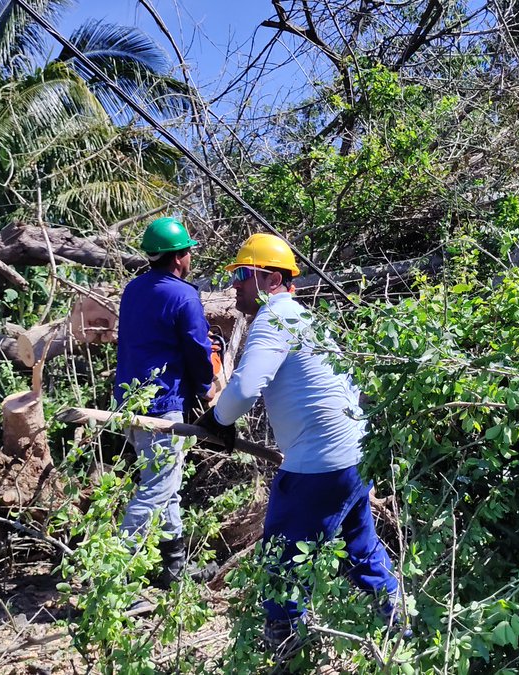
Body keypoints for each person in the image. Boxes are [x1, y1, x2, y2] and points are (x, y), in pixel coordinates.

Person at [196, 233, 406, 656]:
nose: (234, 284)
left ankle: (287, 651)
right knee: (361, 550)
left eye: (241, 275)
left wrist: (217, 420)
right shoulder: (304, 318)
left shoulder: (274, 319)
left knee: (282, 561)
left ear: (271, 279)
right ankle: (403, 625)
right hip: (353, 457)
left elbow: (246, 387)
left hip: (320, 464)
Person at [115, 216, 216, 587]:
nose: (190, 258)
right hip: (161, 406)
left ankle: (174, 569)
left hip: (130, 402)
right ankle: (113, 576)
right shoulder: (183, 294)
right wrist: (206, 386)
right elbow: (198, 348)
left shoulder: (133, 289)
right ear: (178, 258)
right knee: (157, 489)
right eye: (188, 252)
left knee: (165, 483)